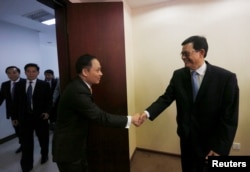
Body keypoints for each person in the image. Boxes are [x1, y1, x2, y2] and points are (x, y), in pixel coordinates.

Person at [138, 35, 239, 172]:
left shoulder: (226, 79)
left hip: (212, 144)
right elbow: (166, 98)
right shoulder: (178, 75)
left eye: (186, 53)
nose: (183, 57)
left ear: (201, 52)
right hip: (187, 139)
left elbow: (230, 118)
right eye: (182, 54)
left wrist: (220, 148)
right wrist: (147, 113)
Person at [52, 54, 140, 172]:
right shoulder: (78, 91)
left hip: (76, 146)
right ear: (85, 71)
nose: (101, 73)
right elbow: (100, 117)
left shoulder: (80, 86)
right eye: (97, 70)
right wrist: (131, 119)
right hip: (68, 150)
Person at [13, 63, 52, 172]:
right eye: (28, 71)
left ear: (38, 72)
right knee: (26, 143)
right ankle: (27, 165)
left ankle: (44, 154)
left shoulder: (44, 85)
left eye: (34, 71)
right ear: (25, 72)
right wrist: (15, 117)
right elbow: (15, 103)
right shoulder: (19, 85)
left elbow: (49, 101)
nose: (31, 73)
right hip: (24, 119)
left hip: (40, 118)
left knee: (43, 139)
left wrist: (48, 112)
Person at [0, 66, 25, 153]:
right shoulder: (5, 85)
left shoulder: (26, 83)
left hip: (26, 113)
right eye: (9, 73)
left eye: (14, 72)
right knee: (18, 130)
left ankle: (28, 146)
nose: (11, 75)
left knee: (26, 130)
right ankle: (22, 145)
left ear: (19, 73)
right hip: (13, 114)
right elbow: (1, 97)